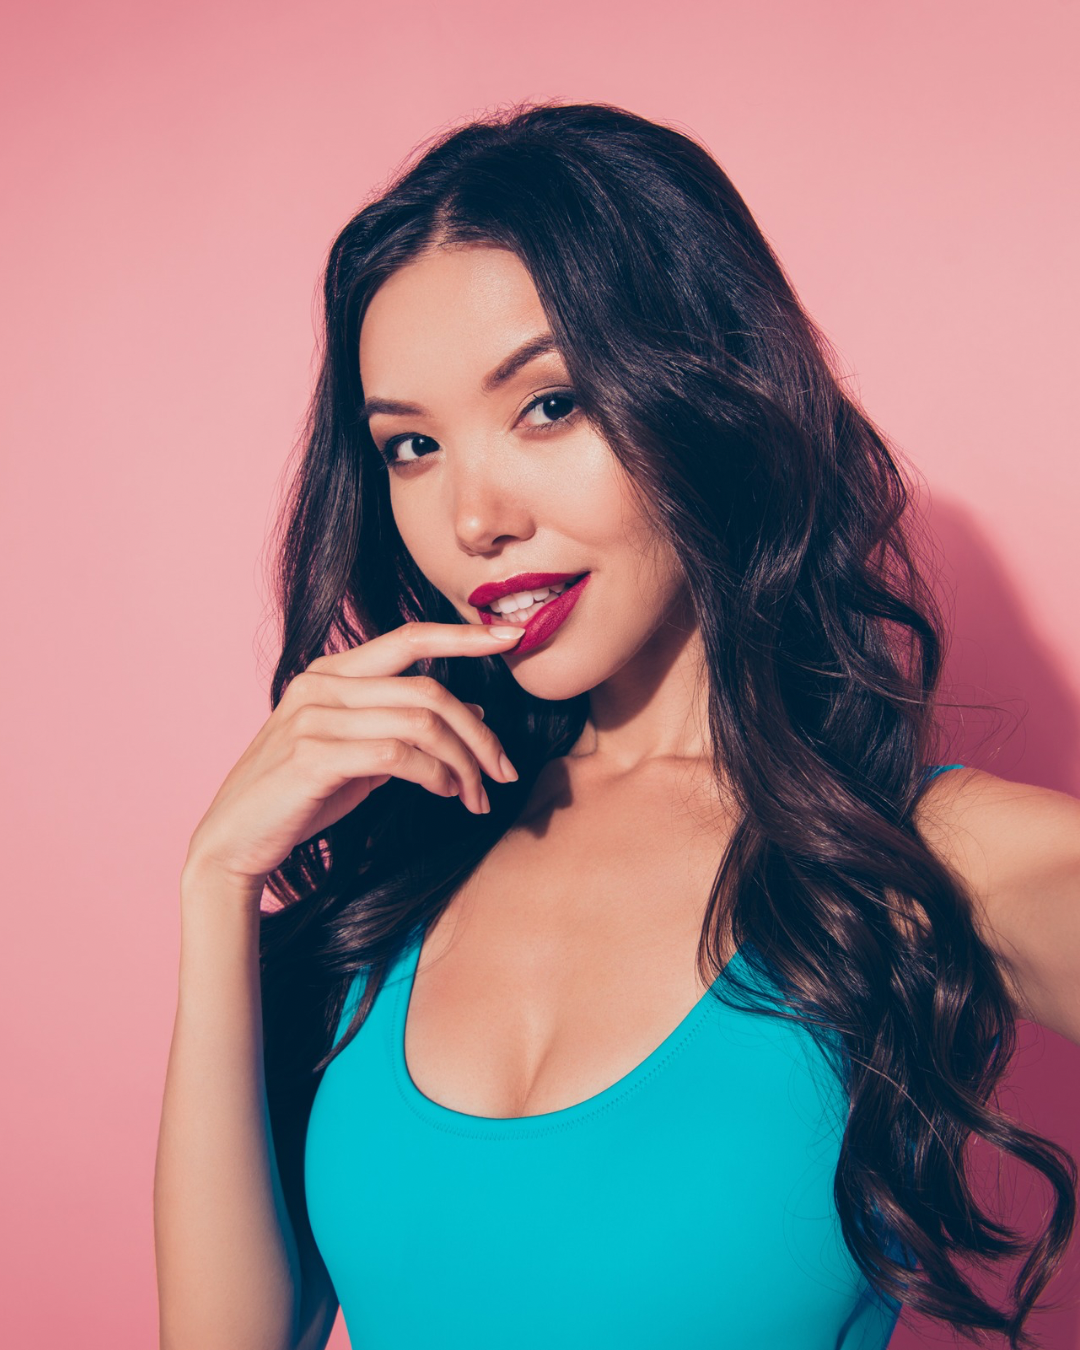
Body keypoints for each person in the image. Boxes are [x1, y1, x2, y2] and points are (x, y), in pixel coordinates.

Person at [153, 100, 1080, 1350]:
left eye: (546, 407)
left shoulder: (926, 860)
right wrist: (217, 884)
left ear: (709, 393)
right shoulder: (402, 867)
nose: (472, 517)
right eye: (413, 446)